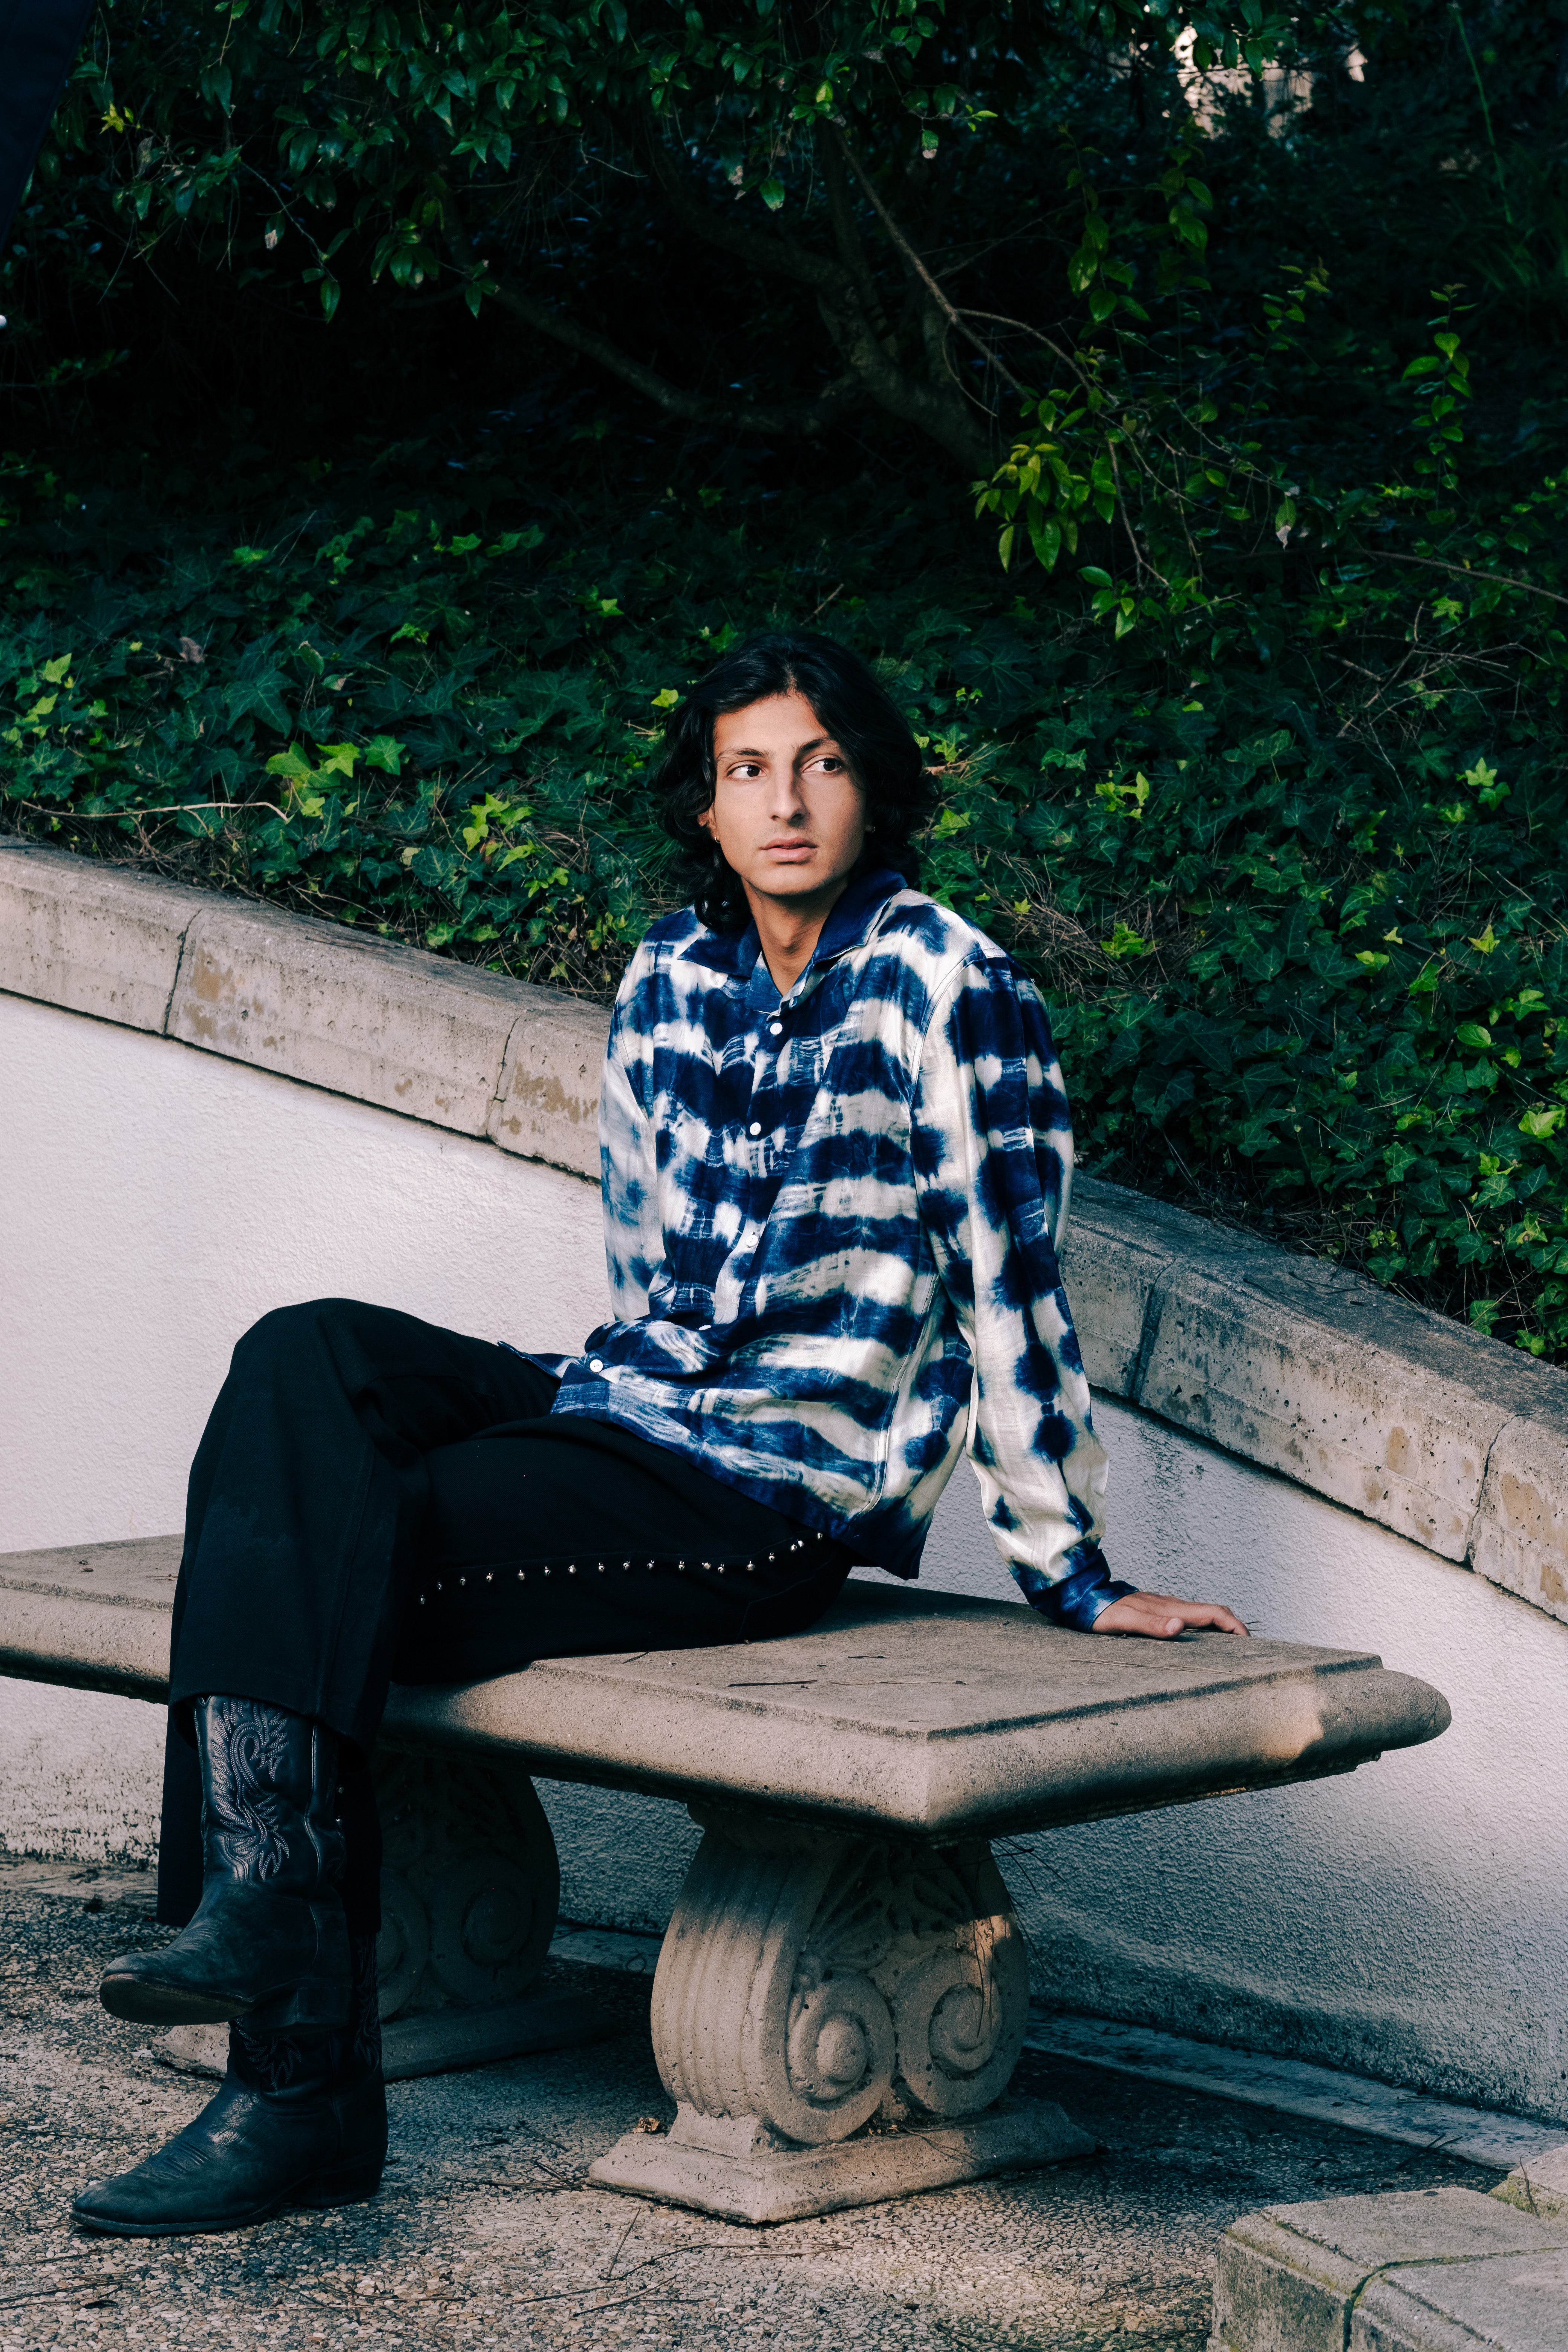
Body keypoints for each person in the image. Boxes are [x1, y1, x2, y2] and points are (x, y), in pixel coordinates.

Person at [72, 630, 1245, 2239]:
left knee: (312, 1532)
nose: (786, 803)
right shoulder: (667, 978)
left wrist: (1073, 1572)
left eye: (822, 765)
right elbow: (639, 1263)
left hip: (760, 1486)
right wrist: (585, 1408)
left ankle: (293, 2087)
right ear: (704, 803)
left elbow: (1008, 1284)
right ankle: (267, 1907)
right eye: (749, 770)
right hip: (620, 1406)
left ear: (873, 790)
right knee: (302, 1359)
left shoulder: (953, 988)